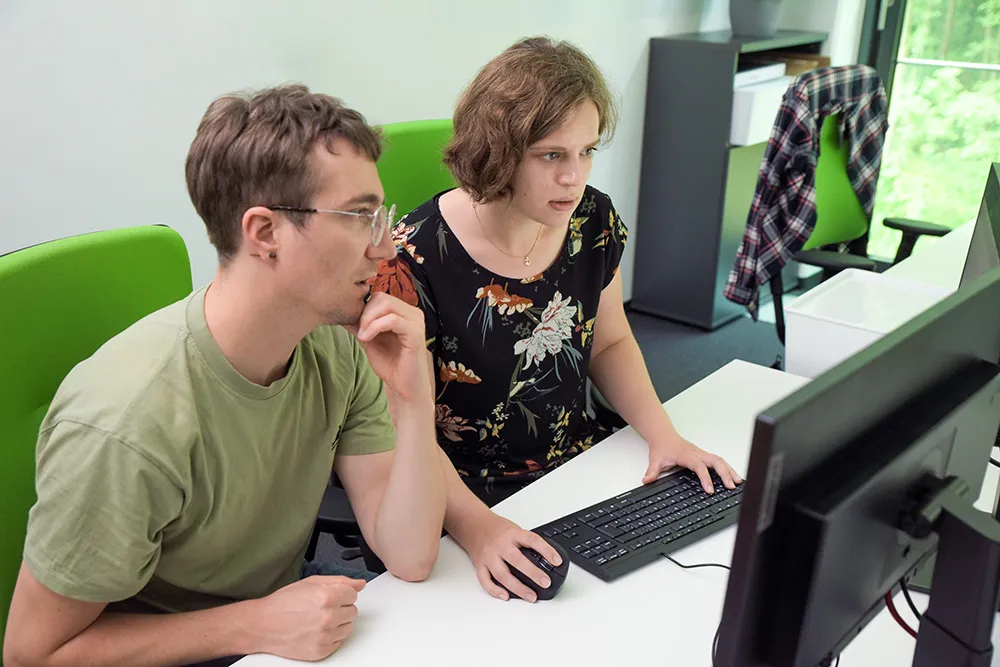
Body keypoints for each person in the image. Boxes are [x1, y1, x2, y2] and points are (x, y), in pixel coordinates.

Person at [3, 85, 452, 667]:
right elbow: (32, 653)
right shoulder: (126, 421)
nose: (386, 247)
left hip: (284, 618)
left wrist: (412, 397)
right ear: (264, 233)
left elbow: (409, 556)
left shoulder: (335, 344)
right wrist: (254, 624)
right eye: (360, 217)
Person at [374, 37, 743, 508]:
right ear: (498, 151)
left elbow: (609, 343)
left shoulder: (591, 220)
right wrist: (479, 529)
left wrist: (664, 436)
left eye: (586, 151)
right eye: (551, 155)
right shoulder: (412, 258)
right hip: (463, 491)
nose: (574, 177)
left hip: (575, 460)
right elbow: (408, 428)